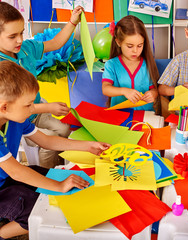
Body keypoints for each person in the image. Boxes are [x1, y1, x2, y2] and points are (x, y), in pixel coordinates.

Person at [0, 61, 110, 239]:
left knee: (48, 179)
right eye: (28, 105)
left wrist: (88, 146)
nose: (33, 109)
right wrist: (59, 186)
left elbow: (46, 141)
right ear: (5, 107)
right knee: (36, 211)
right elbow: (17, 172)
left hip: (5, 178)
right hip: (7, 180)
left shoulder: (16, 117)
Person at [0, 2, 83, 168]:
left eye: (21, 33)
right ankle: (48, 171)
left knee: (64, 129)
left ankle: (59, 167)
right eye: (12, 36)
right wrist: (49, 108)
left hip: (36, 107)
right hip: (17, 118)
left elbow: (55, 43)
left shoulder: (25, 48)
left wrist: (72, 22)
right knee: (50, 138)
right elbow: (12, 109)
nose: (19, 40)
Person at [102, 15, 159, 113]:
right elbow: (106, 89)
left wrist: (153, 94)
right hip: (119, 115)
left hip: (145, 114)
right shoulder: (111, 65)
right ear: (118, 42)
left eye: (139, 46)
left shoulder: (147, 64)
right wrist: (124, 91)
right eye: (130, 46)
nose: (135, 51)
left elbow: (153, 89)